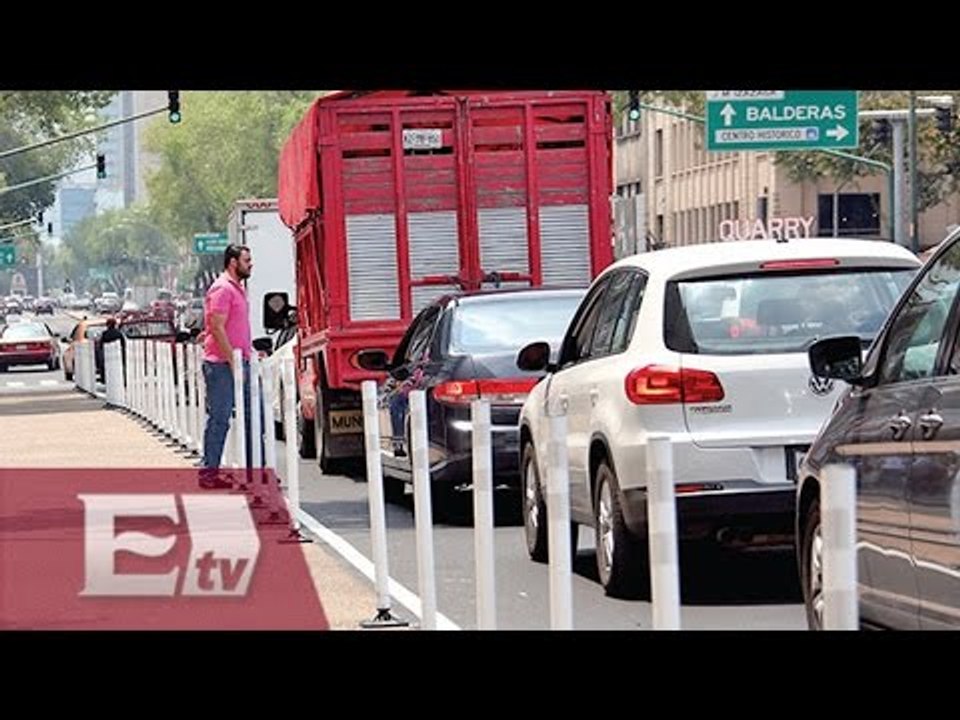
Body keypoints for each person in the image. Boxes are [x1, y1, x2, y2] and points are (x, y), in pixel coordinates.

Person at [200, 243, 255, 489]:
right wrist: (233, 361)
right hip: (222, 365)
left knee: (253, 417)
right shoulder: (222, 289)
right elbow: (217, 326)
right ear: (233, 262)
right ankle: (209, 472)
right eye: (246, 260)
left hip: (240, 362)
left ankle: (256, 472)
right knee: (220, 418)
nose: (250, 264)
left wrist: (249, 353)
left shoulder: (238, 288)